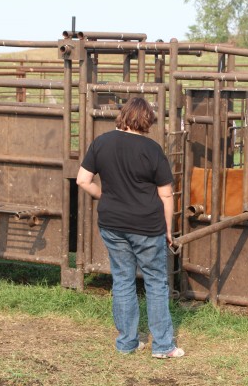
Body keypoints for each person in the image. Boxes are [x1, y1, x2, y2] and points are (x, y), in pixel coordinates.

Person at [76, 97, 185, 359]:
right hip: (147, 226)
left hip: (112, 224)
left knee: (123, 280)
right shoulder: (152, 149)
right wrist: (168, 229)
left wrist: (103, 195)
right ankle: (162, 346)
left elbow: (82, 180)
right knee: (156, 283)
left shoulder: (101, 142)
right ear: (147, 120)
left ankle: (127, 343)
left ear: (123, 116)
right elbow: (166, 195)